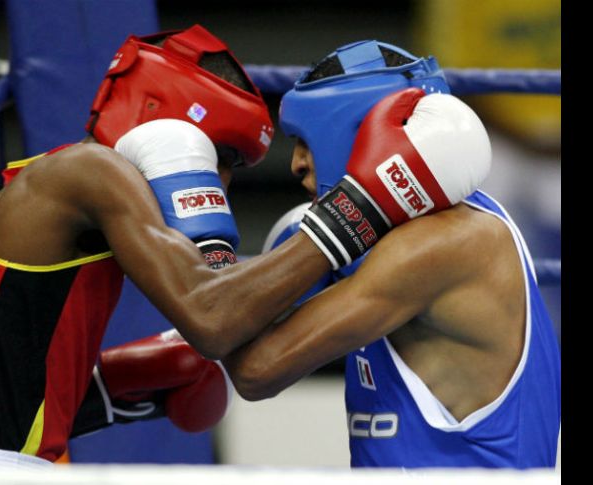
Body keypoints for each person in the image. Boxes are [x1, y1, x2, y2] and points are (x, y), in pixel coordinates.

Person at [0, 24, 489, 470]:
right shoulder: (90, 172)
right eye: (225, 157)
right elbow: (213, 319)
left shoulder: (53, 187)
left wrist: (115, 390)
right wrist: (367, 204)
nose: (224, 183)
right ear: (165, 126)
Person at [218, 40, 561, 468]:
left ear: (361, 135)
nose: (297, 165)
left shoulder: (443, 244)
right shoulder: (403, 237)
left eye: (308, 141)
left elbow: (255, 370)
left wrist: (203, 237)